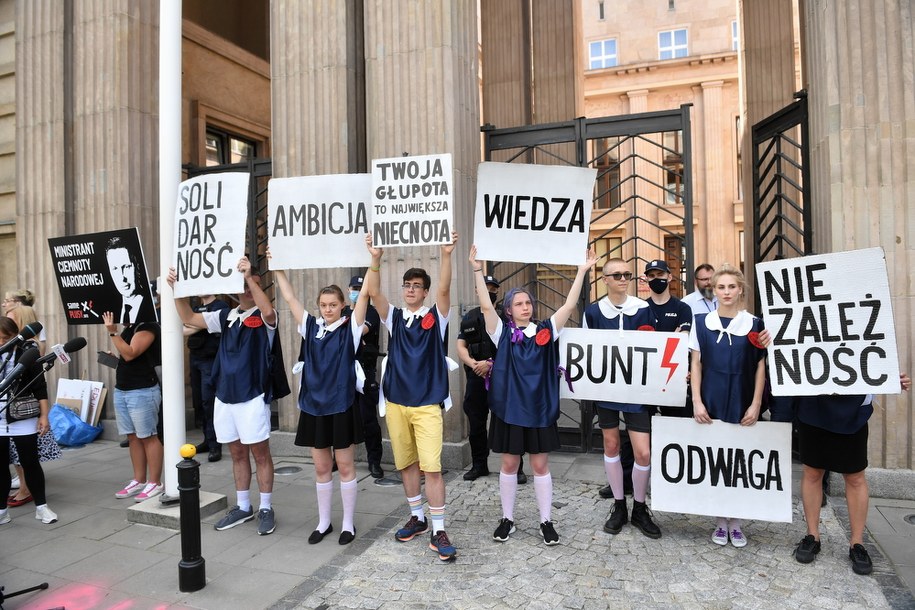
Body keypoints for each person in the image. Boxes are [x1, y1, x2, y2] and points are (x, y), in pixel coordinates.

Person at [471, 245, 597, 546]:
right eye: (518, 303)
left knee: (540, 466)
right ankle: (507, 518)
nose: (525, 307)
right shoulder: (501, 332)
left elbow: (567, 307)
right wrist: (477, 270)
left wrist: (582, 271)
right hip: (510, 409)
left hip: (538, 408)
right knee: (509, 465)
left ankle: (545, 520)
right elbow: (486, 307)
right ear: (509, 310)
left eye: (528, 302)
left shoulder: (545, 330)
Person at [168, 257, 291, 536]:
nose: (249, 289)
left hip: (251, 395)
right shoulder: (225, 316)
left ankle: (266, 508)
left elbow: (268, 310)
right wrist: (177, 290)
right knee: (236, 453)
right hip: (225, 396)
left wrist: (248, 276)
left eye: (255, 285)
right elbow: (188, 318)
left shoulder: (264, 316)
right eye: (245, 284)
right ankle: (244, 506)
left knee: (260, 454)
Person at [362, 231, 459, 562]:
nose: (411, 289)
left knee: (432, 468)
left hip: (427, 403)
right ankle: (417, 518)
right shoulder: (396, 317)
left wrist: (446, 254)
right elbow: (373, 292)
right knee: (406, 463)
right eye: (407, 285)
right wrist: (375, 258)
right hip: (396, 402)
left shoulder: (436, 318)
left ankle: (439, 528)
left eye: (417, 285)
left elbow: (445, 289)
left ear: (425, 291)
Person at [272, 242, 371, 545]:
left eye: (333, 304)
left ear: (343, 305)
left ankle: (348, 524)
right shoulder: (311, 326)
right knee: (320, 466)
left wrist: (373, 261)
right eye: (323, 305)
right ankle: (324, 521)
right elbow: (288, 297)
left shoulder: (351, 328)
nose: (328, 309)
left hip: (340, 405)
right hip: (314, 407)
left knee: (345, 465)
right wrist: (276, 267)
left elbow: (366, 294)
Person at [791, 374, 912, 574]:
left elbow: (872, 350)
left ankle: (857, 543)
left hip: (853, 408)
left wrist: (888, 376)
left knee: (855, 476)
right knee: (812, 472)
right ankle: (812, 536)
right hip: (812, 401)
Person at [689, 263, 766, 548]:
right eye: (721, 287)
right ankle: (720, 520)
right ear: (714, 290)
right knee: (716, 461)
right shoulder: (701, 322)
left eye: (731, 286)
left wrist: (756, 403)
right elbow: (695, 364)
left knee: (739, 463)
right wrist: (697, 401)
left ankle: (737, 521)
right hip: (711, 398)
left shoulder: (755, 324)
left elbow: (760, 366)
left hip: (743, 398)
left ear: (740, 289)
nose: (726, 291)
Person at [584, 258, 662, 539]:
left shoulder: (643, 309)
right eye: (616, 275)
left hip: (637, 389)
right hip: (606, 389)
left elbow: (655, 347)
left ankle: (640, 507)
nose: (622, 278)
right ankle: (619, 505)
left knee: (643, 451)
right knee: (611, 444)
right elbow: (586, 347)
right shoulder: (593, 312)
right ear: (604, 279)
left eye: (626, 274)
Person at [103, 304, 163, 503]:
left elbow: (131, 353)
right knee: (133, 437)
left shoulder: (148, 327)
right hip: (124, 389)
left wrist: (113, 333)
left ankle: (155, 482)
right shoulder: (130, 328)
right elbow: (128, 357)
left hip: (143, 390)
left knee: (148, 436)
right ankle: (139, 479)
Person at [0, 317, 57, 525]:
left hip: (22, 415)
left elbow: (39, 386)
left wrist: (44, 415)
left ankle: (42, 507)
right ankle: (2, 511)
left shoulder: (27, 353)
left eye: (5, 338)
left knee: (30, 463)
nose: (1, 343)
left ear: (15, 336)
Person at [343, 274, 384, 479]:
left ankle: (374, 461)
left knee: (368, 419)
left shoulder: (372, 313)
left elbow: (357, 331)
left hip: (365, 373)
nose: (356, 292)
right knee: (340, 417)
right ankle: (338, 458)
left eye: (360, 288)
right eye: (353, 288)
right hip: (342, 372)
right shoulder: (341, 311)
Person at [642, 259, 693, 417]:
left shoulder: (682, 308)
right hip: (648, 376)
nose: (656, 278)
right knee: (645, 428)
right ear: (647, 279)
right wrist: (671, 337)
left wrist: (659, 339)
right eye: (651, 275)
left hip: (675, 375)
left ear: (669, 277)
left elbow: (682, 341)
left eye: (660, 274)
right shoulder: (641, 309)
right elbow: (641, 343)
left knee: (676, 426)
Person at [185, 294, 230, 462]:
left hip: (210, 360)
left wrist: (196, 323)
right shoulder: (196, 308)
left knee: (209, 402)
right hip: (195, 358)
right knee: (199, 402)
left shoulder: (221, 307)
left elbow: (190, 325)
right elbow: (185, 328)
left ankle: (214, 446)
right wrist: (201, 324)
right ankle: (207, 439)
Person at [105, 235, 156, 324]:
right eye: (115, 269)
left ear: (137, 266)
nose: (122, 277)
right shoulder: (113, 311)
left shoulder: (150, 312)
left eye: (127, 267)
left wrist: (113, 332)